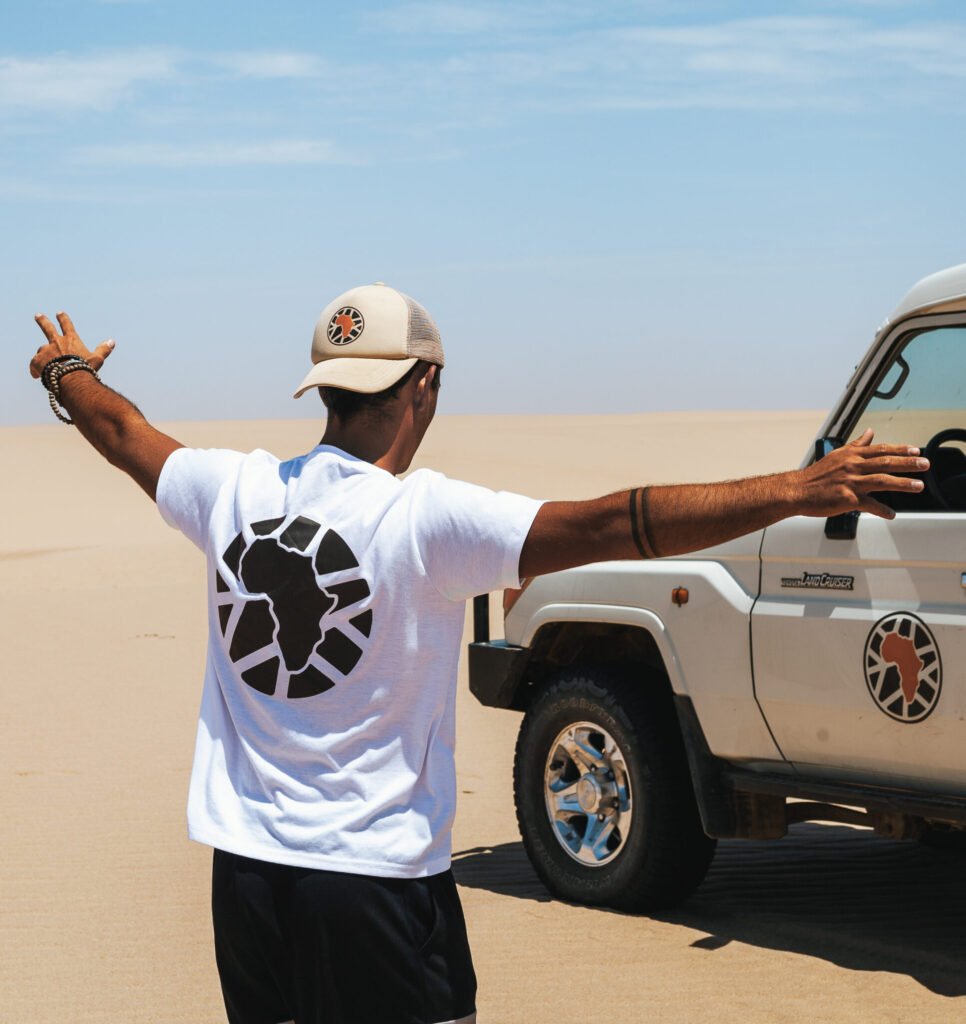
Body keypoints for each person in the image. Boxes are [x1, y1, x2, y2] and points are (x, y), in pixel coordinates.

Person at [28, 286, 928, 1024]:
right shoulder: (428, 519)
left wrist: (68, 374)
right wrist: (795, 490)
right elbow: (613, 524)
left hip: (247, 880)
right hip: (376, 885)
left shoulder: (231, 489)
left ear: (325, 389)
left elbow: (123, 433)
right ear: (424, 383)